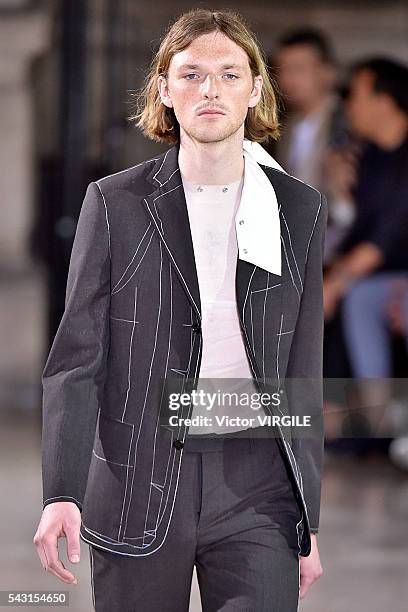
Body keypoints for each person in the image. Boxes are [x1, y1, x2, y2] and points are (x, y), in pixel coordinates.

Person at [33, 8, 327, 611]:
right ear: (164, 90)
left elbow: (302, 369)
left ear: (254, 91)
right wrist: (61, 491)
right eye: (191, 74)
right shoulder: (116, 203)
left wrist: (308, 519)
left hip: (258, 484)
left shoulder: (299, 209)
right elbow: (76, 360)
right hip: (136, 475)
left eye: (228, 73)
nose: (210, 89)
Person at [323, 57, 408, 448]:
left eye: (356, 94)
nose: (349, 105)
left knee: (356, 295)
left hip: (393, 275)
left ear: (384, 100)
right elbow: (362, 233)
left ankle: (376, 422)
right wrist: (341, 193)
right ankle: (363, 421)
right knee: (351, 295)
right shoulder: (373, 158)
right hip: (383, 275)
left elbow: (386, 237)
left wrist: (337, 281)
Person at [273, 28, 355, 265]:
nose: (288, 79)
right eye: (283, 69)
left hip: (337, 239)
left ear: (327, 72)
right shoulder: (288, 127)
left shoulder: (348, 121)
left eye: (298, 68)